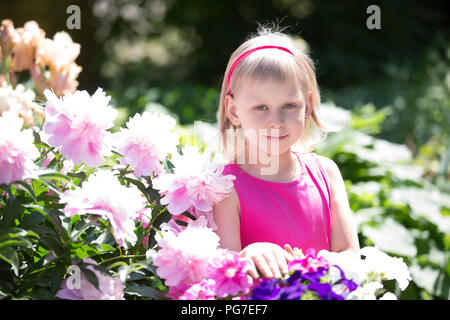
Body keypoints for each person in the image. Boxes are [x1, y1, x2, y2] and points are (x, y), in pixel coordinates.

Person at [212, 26, 360, 281]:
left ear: (308, 105)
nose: (276, 121)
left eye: (289, 105)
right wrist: (251, 253)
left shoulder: (326, 173)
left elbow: (350, 256)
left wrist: (303, 267)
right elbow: (225, 275)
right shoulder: (226, 187)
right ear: (234, 111)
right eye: (261, 107)